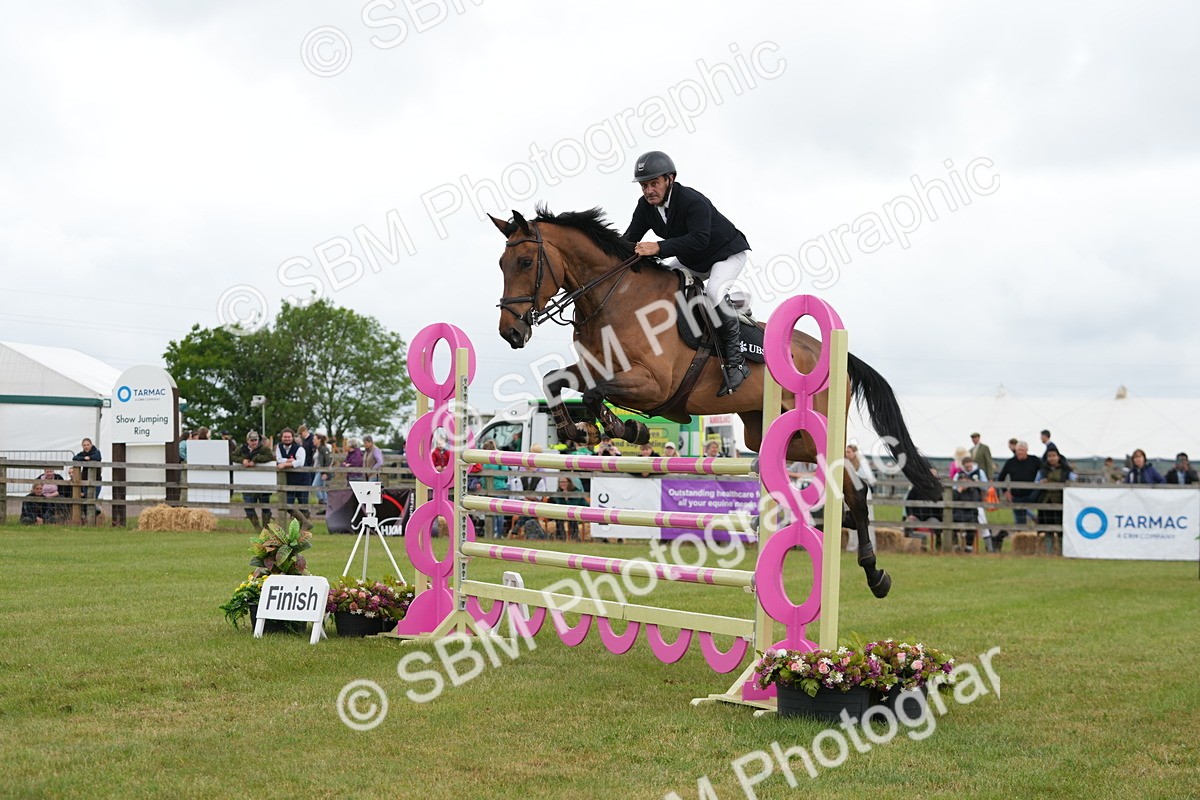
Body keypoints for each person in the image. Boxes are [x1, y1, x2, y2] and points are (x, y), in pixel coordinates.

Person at [622, 151, 753, 397]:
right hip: (692, 259)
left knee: (714, 291)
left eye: (654, 183)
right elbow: (630, 239)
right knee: (661, 281)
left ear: (670, 179)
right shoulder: (645, 207)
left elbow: (700, 240)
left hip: (725, 253)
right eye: (643, 186)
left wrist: (658, 247)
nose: (649, 190)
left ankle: (736, 363)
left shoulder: (692, 201)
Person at [1036, 448, 1076, 554]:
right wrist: (1041, 482)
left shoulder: (1066, 470)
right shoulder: (1043, 470)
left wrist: (1068, 482)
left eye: (1054, 456)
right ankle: (1049, 552)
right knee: (1048, 528)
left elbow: (1074, 479)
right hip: (1046, 500)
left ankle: (1062, 551)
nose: (1052, 458)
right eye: (1049, 456)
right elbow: (1036, 482)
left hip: (1061, 500)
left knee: (1061, 527)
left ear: (1058, 457)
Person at [275, 428, 312, 531]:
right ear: (282, 437)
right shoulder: (279, 447)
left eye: (289, 437)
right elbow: (278, 460)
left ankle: (303, 530)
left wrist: (284, 464)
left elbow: (300, 462)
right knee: (287, 504)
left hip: (302, 479)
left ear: (292, 437)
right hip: (288, 480)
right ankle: (305, 522)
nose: (287, 439)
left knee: (303, 504)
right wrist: (289, 461)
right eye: (285, 437)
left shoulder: (300, 449)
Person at [997, 441, 1041, 526]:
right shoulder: (1010, 462)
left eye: (1022, 450)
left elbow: (1044, 470)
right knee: (1020, 521)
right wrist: (1005, 491)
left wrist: (1042, 480)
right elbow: (1000, 478)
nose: (1020, 452)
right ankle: (1021, 534)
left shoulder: (1034, 460)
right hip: (1016, 494)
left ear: (1026, 450)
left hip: (1032, 494)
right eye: (1018, 450)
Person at [238, 431, 275, 531]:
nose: (254, 442)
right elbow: (232, 456)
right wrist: (243, 460)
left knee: (265, 506)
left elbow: (270, 457)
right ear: (247, 441)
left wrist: (256, 459)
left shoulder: (263, 449)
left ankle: (266, 528)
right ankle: (257, 527)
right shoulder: (242, 449)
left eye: (256, 440)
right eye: (252, 440)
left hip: (263, 483)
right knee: (248, 505)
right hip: (247, 483)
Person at [843, 443, 877, 553]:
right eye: (846, 452)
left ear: (854, 453)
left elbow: (870, 479)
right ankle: (853, 546)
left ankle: (868, 544)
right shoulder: (846, 464)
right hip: (850, 493)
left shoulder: (862, 464)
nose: (847, 454)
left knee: (866, 518)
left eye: (849, 452)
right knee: (852, 517)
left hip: (863, 492)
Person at [952, 455, 986, 552]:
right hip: (957, 513)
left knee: (980, 523)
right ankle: (955, 546)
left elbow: (985, 488)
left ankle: (970, 546)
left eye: (970, 466)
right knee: (949, 521)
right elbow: (952, 498)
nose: (969, 468)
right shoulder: (958, 476)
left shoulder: (979, 473)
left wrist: (976, 484)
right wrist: (959, 491)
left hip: (971, 512)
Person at [480, 441, 509, 538]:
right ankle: (489, 533)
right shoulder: (483, 459)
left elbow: (505, 474)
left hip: (499, 488)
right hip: (487, 489)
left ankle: (499, 534)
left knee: (499, 513)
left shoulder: (500, 458)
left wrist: (491, 474)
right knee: (488, 512)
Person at [548, 476, 587, 540]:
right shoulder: (558, 493)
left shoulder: (576, 492)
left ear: (569, 482)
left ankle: (574, 538)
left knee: (572, 517)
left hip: (578, 512)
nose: (562, 484)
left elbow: (574, 504)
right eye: (560, 482)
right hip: (563, 512)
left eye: (564, 482)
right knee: (558, 519)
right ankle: (561, 538)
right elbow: (557, 504)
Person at [312, 433, 333, 506]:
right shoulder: (317, 449)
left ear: (319, 440)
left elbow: (328, 461)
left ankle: (322, 500)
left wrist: (325, 472)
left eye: (314, 439)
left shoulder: (324, 449)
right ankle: (326, 505)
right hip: (317, 470)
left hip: (321, 471)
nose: (313, 441)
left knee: (315, 486)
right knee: (322, 488)